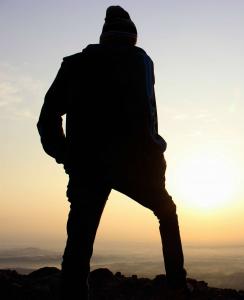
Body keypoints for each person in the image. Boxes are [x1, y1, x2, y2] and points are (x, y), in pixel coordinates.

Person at [37, 6, 188, 299]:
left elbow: (48, 117)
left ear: (105, 37)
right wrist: (157, 165)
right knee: (166, 213)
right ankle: (177, 286)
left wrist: (65, 155)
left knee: (79, 240)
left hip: (88, 164)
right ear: (132, 39)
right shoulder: (143, 63)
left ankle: (73, 292)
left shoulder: (76, 64)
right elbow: (149, 119)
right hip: (137, 166)